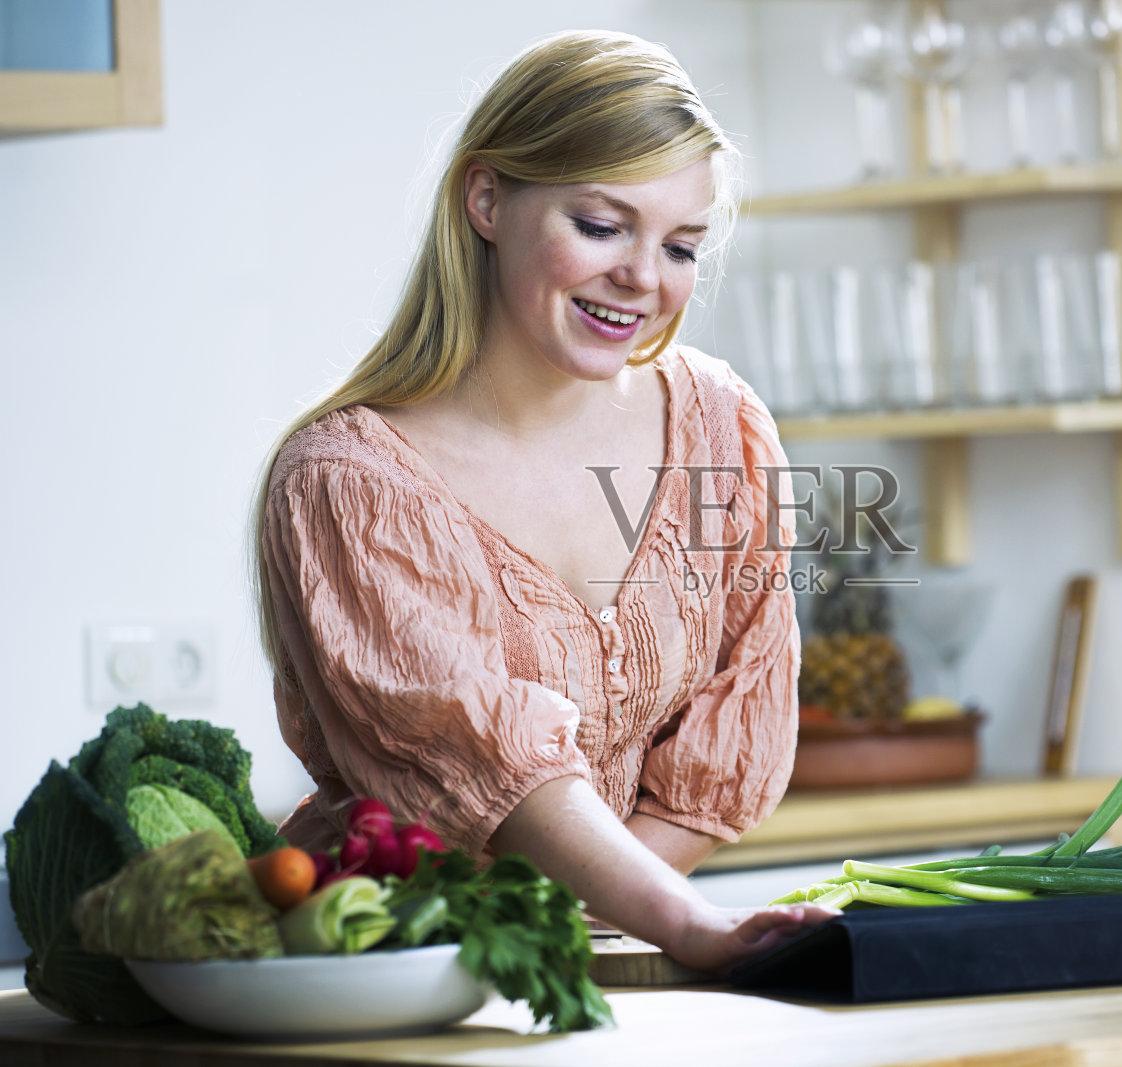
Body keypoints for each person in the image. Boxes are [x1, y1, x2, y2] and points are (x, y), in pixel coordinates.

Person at [249, 29, 836, 973]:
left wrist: (596, 940)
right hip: (389, 973)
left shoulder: (722, 426)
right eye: (602, 227)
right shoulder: (347, 479)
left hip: (598, 967)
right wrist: (677, 924)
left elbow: (722, 750)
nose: (644, 278)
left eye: (681, 245)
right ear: (486, 199)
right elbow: (503, 776)